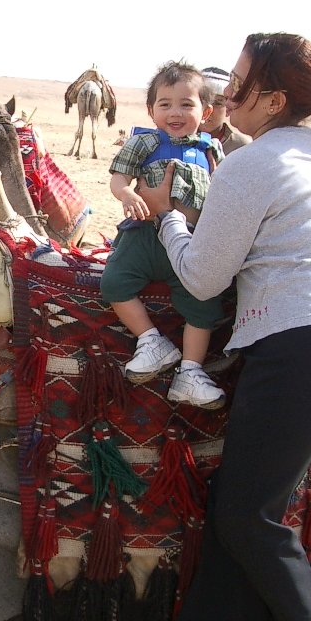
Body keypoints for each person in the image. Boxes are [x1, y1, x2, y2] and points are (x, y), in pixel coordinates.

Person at [136, 33, 311, 621]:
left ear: (270, 100)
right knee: (237, 509)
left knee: (250, 518)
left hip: (299, 349)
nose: (222, 93)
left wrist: (166, 216)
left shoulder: (253, 164)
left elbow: (204, 278)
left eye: (236, 84)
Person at [100, 61, 227, 409]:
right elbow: (119, 178)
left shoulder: (209, 150)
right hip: (144, 234)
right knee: (114, 282)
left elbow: (221, 189)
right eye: (165, 104)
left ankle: (190, 372)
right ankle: (151, 339)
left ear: (207, 111)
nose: (175, 112)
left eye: (186, 104)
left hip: (190, 241)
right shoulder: (144, 141)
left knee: (203, 303)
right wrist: (127, 195)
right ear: (151, 110)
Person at [199, 67, 252, 154]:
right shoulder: (175, 139)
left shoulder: (241, 148)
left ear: (228, 109)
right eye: (202, 101)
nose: (208, 109)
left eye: (217, 103)